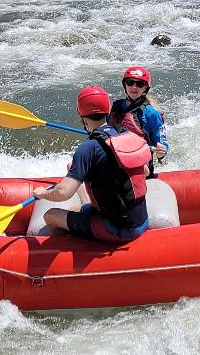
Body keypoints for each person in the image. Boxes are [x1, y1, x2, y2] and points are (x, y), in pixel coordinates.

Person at [33, 86, 152, 243]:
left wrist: (42, 194)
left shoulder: (87, 148)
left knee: (51, 215)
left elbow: (63, 192)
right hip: (141, 220)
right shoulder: (123, 134)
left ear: (81, 114)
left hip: (115, 229)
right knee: (75, 210)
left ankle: (76, 252)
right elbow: (145, 171)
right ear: (107, 110)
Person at [110, 66, 170, 178]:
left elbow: (162, 141)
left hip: (142, 162)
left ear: (145, 88)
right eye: (130, 82)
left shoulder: (152, 113)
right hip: (117, 156)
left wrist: (161, 151)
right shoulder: (116, 107)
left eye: (139, 84)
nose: (134, 87)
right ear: (125, 85)